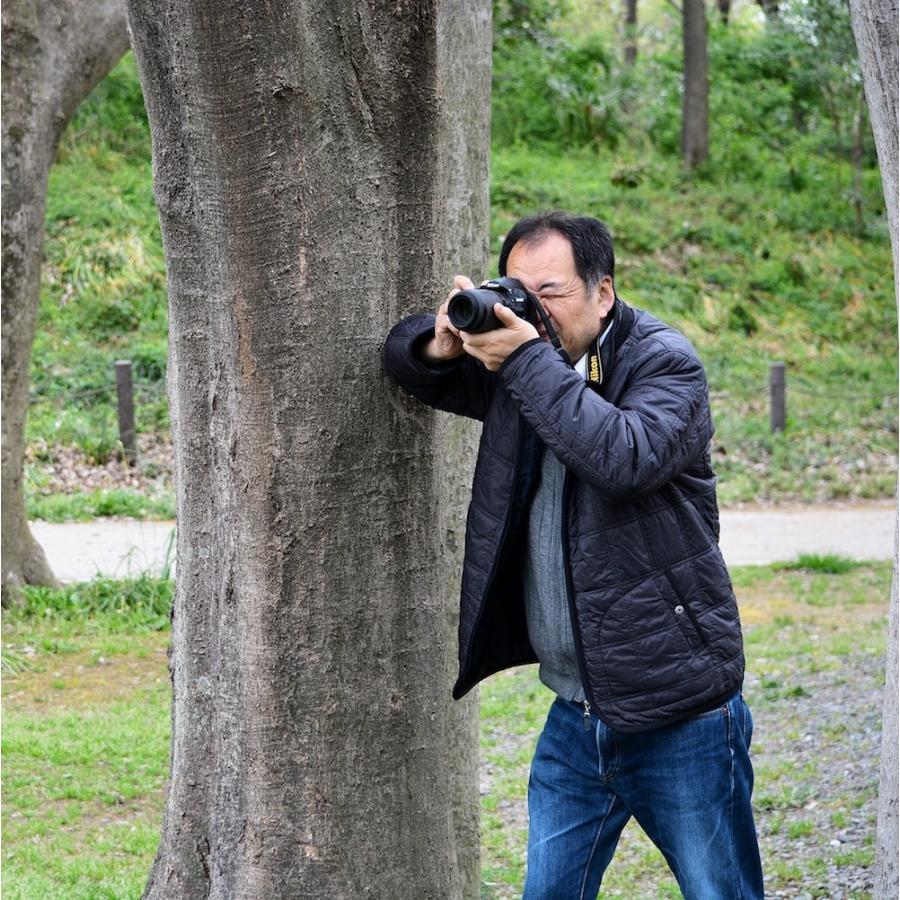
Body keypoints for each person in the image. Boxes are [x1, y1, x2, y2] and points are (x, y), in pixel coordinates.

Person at [383, 211, 764, 899]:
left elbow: (619, 456)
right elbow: (413, 370)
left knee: (722, 892)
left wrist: (526, 358)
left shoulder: (665, 364)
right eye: (519, 292)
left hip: (679, 714)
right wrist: (437, 344)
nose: (533, 310)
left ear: (604, 293)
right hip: (575, 713)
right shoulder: (529, 367)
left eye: (551, 292)